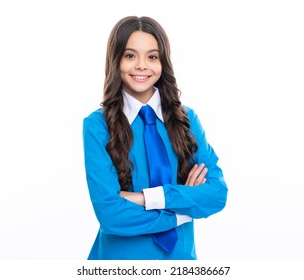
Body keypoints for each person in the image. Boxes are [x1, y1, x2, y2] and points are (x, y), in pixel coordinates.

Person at [82, 16, 228, 260]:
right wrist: (185, 209)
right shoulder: (97, 126)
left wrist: (145, 198)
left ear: (163, 62)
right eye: (130, 55)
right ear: (115, 60)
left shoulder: (187, 120)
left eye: (152, 56)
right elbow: (111, 215)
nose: (141, 65)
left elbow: (217, 194)